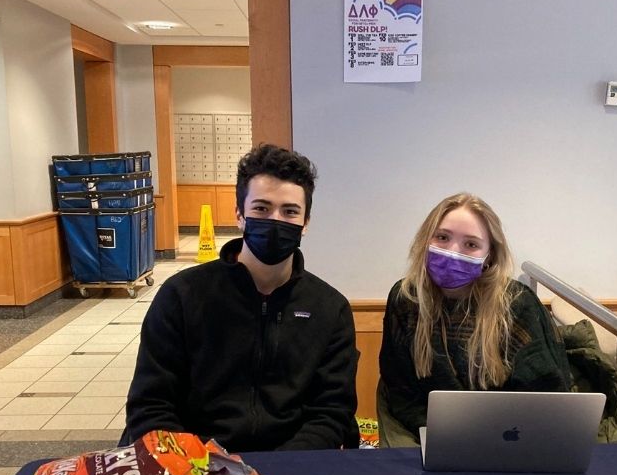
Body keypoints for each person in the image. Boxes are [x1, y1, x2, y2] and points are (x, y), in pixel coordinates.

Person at [123, 144, 360, 452]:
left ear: (306, 223)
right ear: (239, 215)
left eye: (289, 212)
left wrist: (280, 471)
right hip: (196, 469)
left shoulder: (330, 308)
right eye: (261, 208)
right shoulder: (182, 295)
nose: (276, 220)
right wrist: (196, 467)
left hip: (292, 468)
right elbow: (151, 405)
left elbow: (331, 413)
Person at [378, 193, 572, 443]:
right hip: (428, 432)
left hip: (507, 437)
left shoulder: (517, 304)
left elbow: (547, 396)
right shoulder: (406, 298)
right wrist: (439, 434)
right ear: (426, 239)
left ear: (489, 255)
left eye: (471, 244)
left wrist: (495, 438)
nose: (452, 252)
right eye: (442, 237)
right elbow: (399, 388)